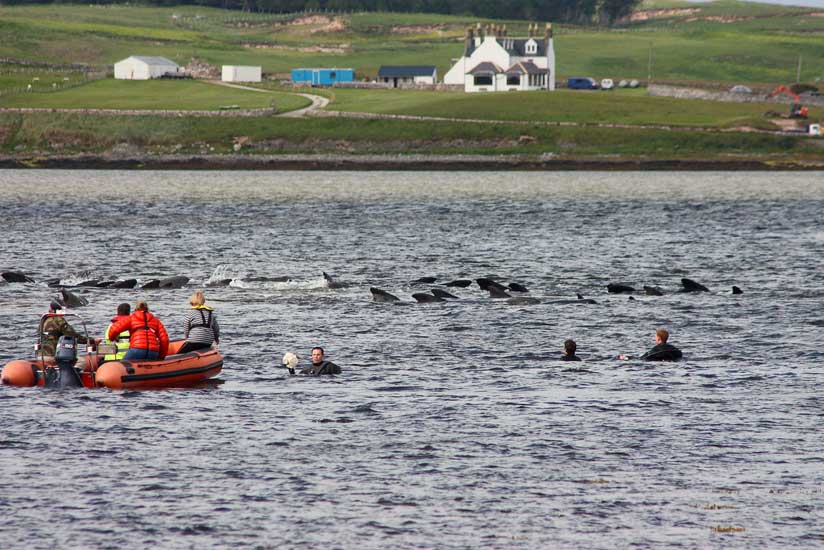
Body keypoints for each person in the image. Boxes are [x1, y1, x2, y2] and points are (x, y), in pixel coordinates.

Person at [179, 290, 219, 354]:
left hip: (194, 341)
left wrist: (187, 339)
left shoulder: (190, 313)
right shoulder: (211, 314)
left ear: (192, 303)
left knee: (179, 354)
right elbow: (216, 329)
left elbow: (186, 328)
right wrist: (216, 340)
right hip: (208, 342)